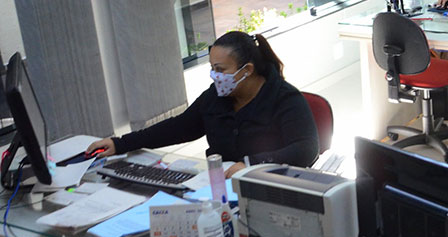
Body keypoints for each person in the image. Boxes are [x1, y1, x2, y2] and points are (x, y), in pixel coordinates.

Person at [87, 31, 320, 178]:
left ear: (246, 70)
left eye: (220, 70)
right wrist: (120, 143)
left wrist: (250, 164)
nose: (214, 76)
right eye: (212, 68)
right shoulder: (216, 96)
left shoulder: (284, 99)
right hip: (219, 188)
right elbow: (178, 127)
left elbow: (305, 149)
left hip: (268, 187)